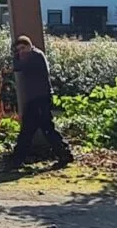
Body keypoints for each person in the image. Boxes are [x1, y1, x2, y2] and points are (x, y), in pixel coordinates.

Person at [8, 35, 73, 168]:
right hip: (36, 98)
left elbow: (18, 67)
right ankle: (17, 158)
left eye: (23, 48)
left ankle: (18, 158)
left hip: (41, 98)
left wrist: (16, 56)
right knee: (32, 129)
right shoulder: (33, 56)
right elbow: (18, 67)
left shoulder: (35, 56)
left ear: (29, 46)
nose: (21, 51)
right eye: (19, 49)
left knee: (42, 128)